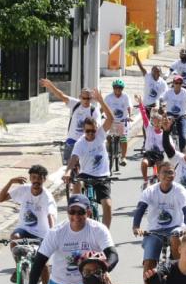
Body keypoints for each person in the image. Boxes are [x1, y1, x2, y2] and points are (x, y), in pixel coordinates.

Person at [25, 194, 118, 284]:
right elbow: (40, 260)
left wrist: (104, 269)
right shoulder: (56, 232)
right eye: (72, 212)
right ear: (67, 212)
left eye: (81, 212)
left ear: (88, 212)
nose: (76, 216)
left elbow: (113, 255)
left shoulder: (98, 229)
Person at [0, 164, 56, 284]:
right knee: (14, 237)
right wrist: (10, 182)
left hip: (41, 234)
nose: (36, 181)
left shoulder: (47, 197)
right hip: (24, 230)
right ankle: (18, 267)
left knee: (43, 263)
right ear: (30, 178)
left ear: (44, 180)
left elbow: (51, 216)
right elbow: (0, 199)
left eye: (39, 178)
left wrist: (52, 233)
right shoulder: (23, 190)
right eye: (33, 177)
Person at [65, 89, 116, 227]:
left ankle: (105, 234)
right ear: (84, 131)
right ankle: (75, 213)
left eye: (93, 131)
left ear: (96, 129)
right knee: (77, 184)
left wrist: (101, 101)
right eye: (87, 131)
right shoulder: (80, 143)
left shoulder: (100, 135)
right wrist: (68, 172)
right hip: (86, 174)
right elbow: (74, 158)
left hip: (102, 176)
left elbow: (111, 119)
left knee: (107, 205)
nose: (91, 134)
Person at [133, 160, 186, 273]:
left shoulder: (180, 190)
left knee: (175, 237)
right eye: (164, 172)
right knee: (148, 266)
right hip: (154, 230)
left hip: (175, 227)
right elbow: (140, 209)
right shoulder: (150, 191)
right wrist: (136, 227)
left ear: (175, 174)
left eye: (170, 172)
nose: (167, 175)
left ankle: (179, 270)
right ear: (158, 174)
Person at [39, 79, 101, 163]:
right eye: (84, 98)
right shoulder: (76, 104)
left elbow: (97, 126)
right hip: (71, 140)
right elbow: (62, 96)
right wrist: (50, 85)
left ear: (91, 98)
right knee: (68, 165)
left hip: (85, 142)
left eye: (88, 98)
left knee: (85, 165)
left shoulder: (94, 110)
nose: (86, 100)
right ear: (80, 97)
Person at [105, 78, 134, 166]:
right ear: (113, 88)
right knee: (108, 136)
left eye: (120, 88)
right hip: (111, 121)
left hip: (122, 121)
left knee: (123, 138)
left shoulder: (125, 97)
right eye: (116, 88)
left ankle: (123, 157)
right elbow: (103, 107)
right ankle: (109, 152)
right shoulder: (108, 97)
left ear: (122, 89)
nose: (118, 90)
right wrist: (98, 114)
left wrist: (130, 115)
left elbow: (129, 107)